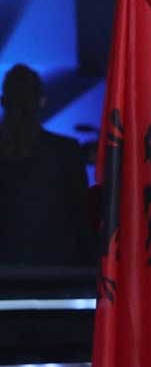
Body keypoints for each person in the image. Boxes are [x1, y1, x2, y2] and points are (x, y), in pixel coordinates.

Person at [0, 64, 90, 266]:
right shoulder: (66, 151)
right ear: (41, 101)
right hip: (56, 270)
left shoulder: (65, 150)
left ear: (3, 101)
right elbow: (82, 220)